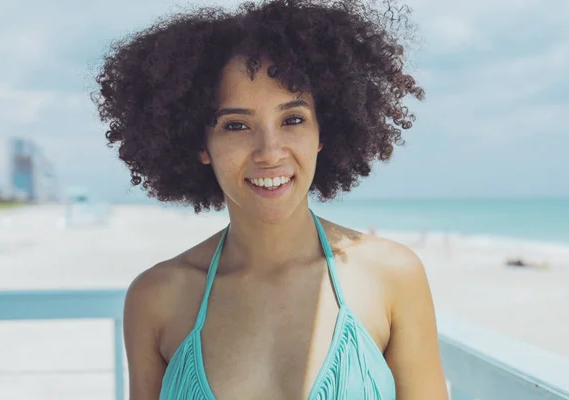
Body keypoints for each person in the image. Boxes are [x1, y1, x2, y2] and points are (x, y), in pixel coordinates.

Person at [92, 0, 448, 398]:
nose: (269, 151)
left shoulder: (392, 276)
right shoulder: (156, 298)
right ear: (200, 143)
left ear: (322, 131)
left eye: (292, 119)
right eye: (237, 125)